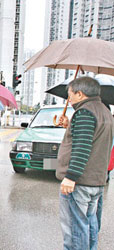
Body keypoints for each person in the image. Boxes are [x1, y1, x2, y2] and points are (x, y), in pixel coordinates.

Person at [56, 77, 114, 250]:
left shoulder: (85, 113)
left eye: (70, 95)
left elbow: (82, 147)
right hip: (96, 180)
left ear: (80, 94)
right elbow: (93, 139)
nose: (69, 99)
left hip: (80, 182)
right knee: (90, 224)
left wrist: (70, 177)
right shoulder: (104, 111)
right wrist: (69, 125)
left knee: (75, 231)